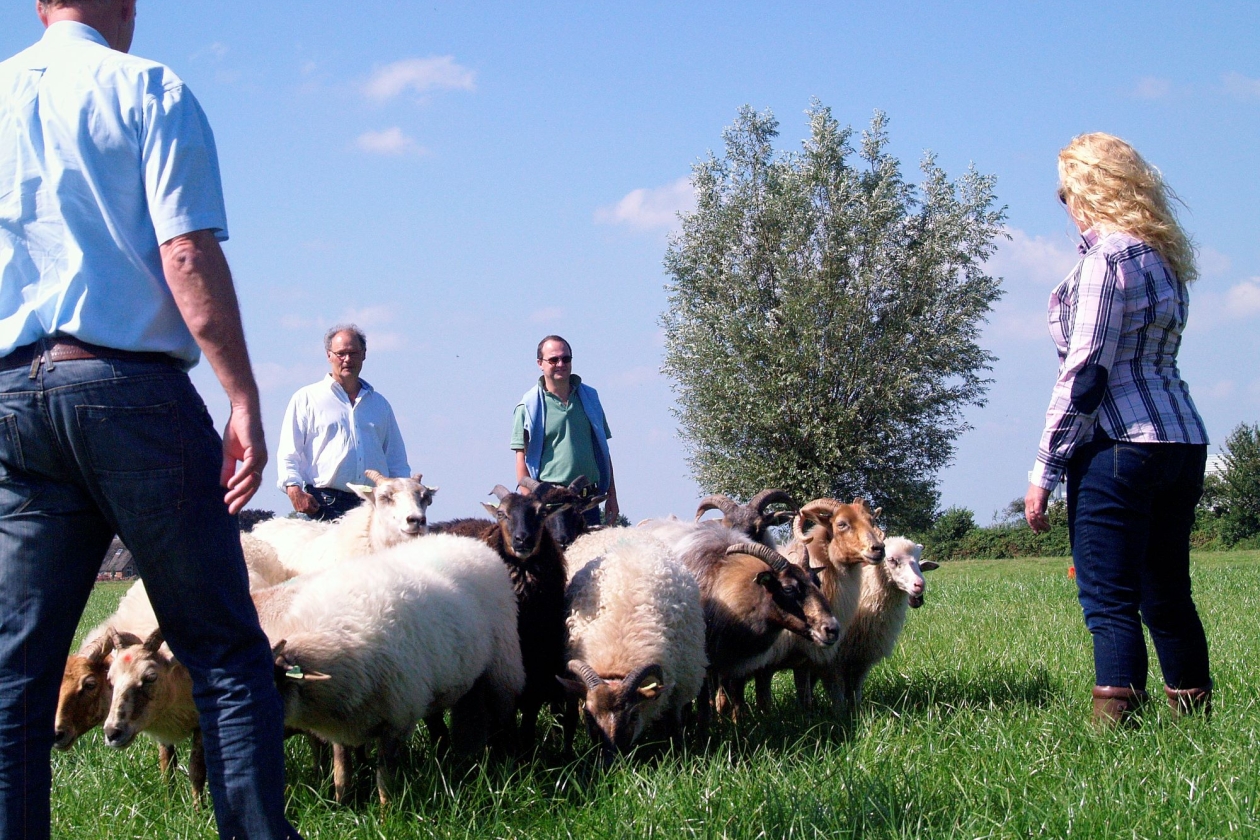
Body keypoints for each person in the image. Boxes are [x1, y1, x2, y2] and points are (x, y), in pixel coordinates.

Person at [0, 2, 300, 838]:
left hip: (15, 393)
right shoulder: (147, 88)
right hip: (128, 390)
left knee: (16, 677)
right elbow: (185, 254)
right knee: (226, 653)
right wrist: (241, 395)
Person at [1025, 133, 1211, 728]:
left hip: (1118, 442)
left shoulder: (1107, 259)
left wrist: (1044, 468)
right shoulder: (1163, 260)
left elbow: (1086, 372)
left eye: (1065, 192)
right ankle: (1195, 717)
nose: (1064, 205)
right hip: (1181, 437)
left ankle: (1118, 731)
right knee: (1168, 592)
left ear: (1086, 189)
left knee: (1108, 599)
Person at [277, 324, 410, 520]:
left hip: (373, 507)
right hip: (322, 505)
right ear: (328, 355)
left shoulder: (380, 404)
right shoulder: (306, 398)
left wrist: (405, 495)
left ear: (364, 354)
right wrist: (293, 488)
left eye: (353, 353)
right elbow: (289, 452)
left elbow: (396, 460)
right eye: (341, 354)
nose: (347, 359)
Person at [512, 335, 619, 525]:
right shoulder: (527, 407)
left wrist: (612, 496)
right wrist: (531, 505)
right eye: (553, 359)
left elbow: (603, 452)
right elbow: (522, 461)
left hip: (588, 502)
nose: (561, 363)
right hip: (550, 505)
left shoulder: (590, 398)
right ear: (540, 363)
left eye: (566, 359)